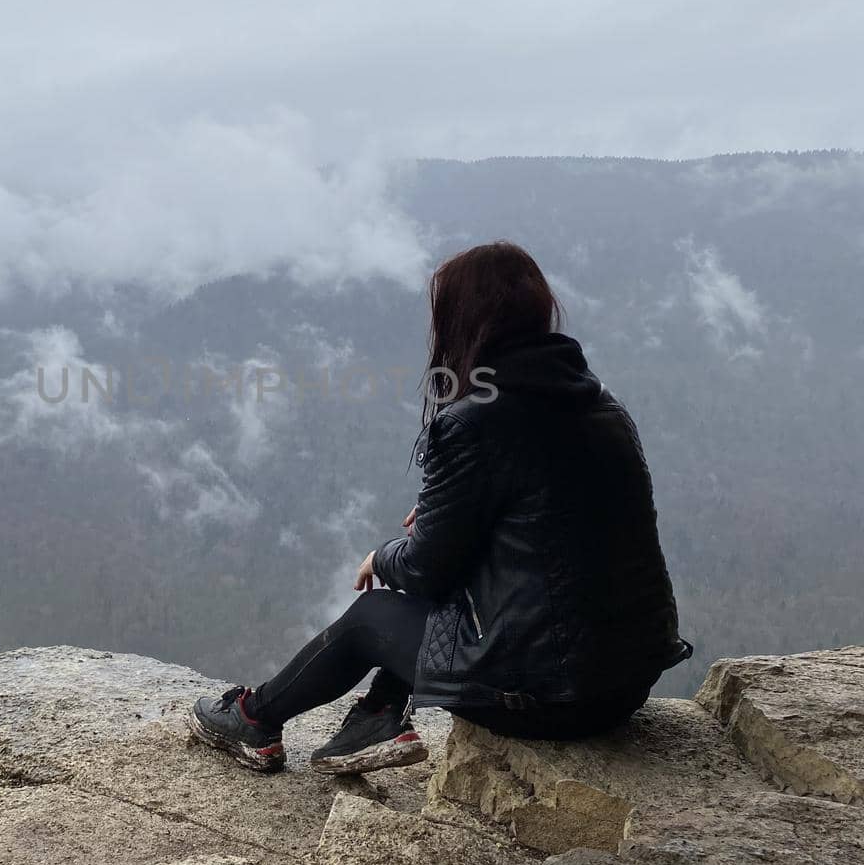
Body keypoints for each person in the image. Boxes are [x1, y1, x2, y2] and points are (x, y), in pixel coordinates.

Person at [188, 241, 692, 775]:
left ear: (465, 320)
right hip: (625, 682)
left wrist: (382, 556)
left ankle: (255, 720)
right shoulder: (600, 406)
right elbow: (546, 521)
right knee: (457, 568)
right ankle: (379, 715)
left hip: (548, 699)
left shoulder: (475, 422)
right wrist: (454, 511)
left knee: (370, 617)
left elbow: (425, 570)